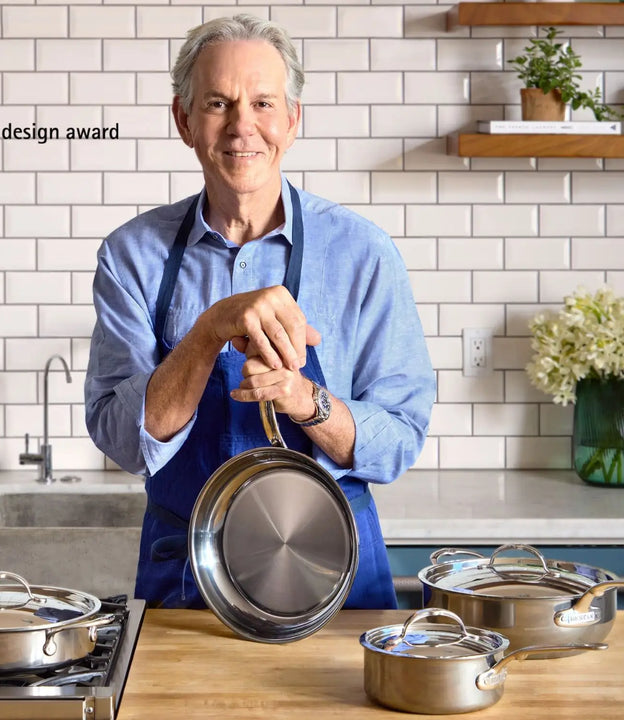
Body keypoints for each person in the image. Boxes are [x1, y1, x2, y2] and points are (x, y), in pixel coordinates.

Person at [85, 14, 436, 609]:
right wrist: (209, 330)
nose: (242, 125)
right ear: (184, 121)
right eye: (219, 103)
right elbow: (121, 440)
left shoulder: (362, 254)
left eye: (264, 103)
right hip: (188, 579)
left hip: (331, 569)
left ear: (292, 120)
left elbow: (399, 438)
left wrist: (308, 402)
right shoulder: (132, 256)